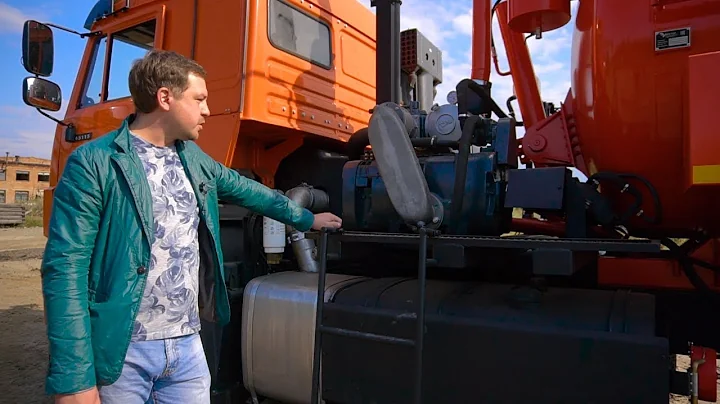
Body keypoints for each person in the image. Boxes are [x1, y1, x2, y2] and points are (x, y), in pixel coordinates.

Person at [41, 49, 342, 404]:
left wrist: (307, 218)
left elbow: (253, 193)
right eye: (199, 99)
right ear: (165, 97)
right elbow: (65, 269)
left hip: (186, 347)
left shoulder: (194, 160)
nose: (207, 110)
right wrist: (73, 380)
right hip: (123, 353)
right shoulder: (94, 163)